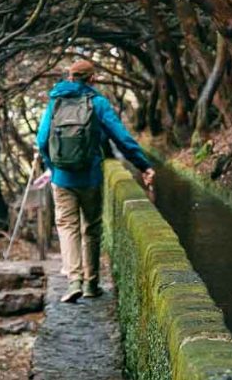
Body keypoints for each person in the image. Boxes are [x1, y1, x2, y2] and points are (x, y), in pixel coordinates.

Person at [37, 59, 155, 303]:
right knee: (91, 227)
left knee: (67, 227)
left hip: (62, 179)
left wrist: (52, 167)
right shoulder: (98, 103)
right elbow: (121, 137)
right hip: (90, 177)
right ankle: (91, 284)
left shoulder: (55, 102)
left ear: (70, 78)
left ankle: (74, 281)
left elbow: (41, 140)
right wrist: (143, 165)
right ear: (92, 79)